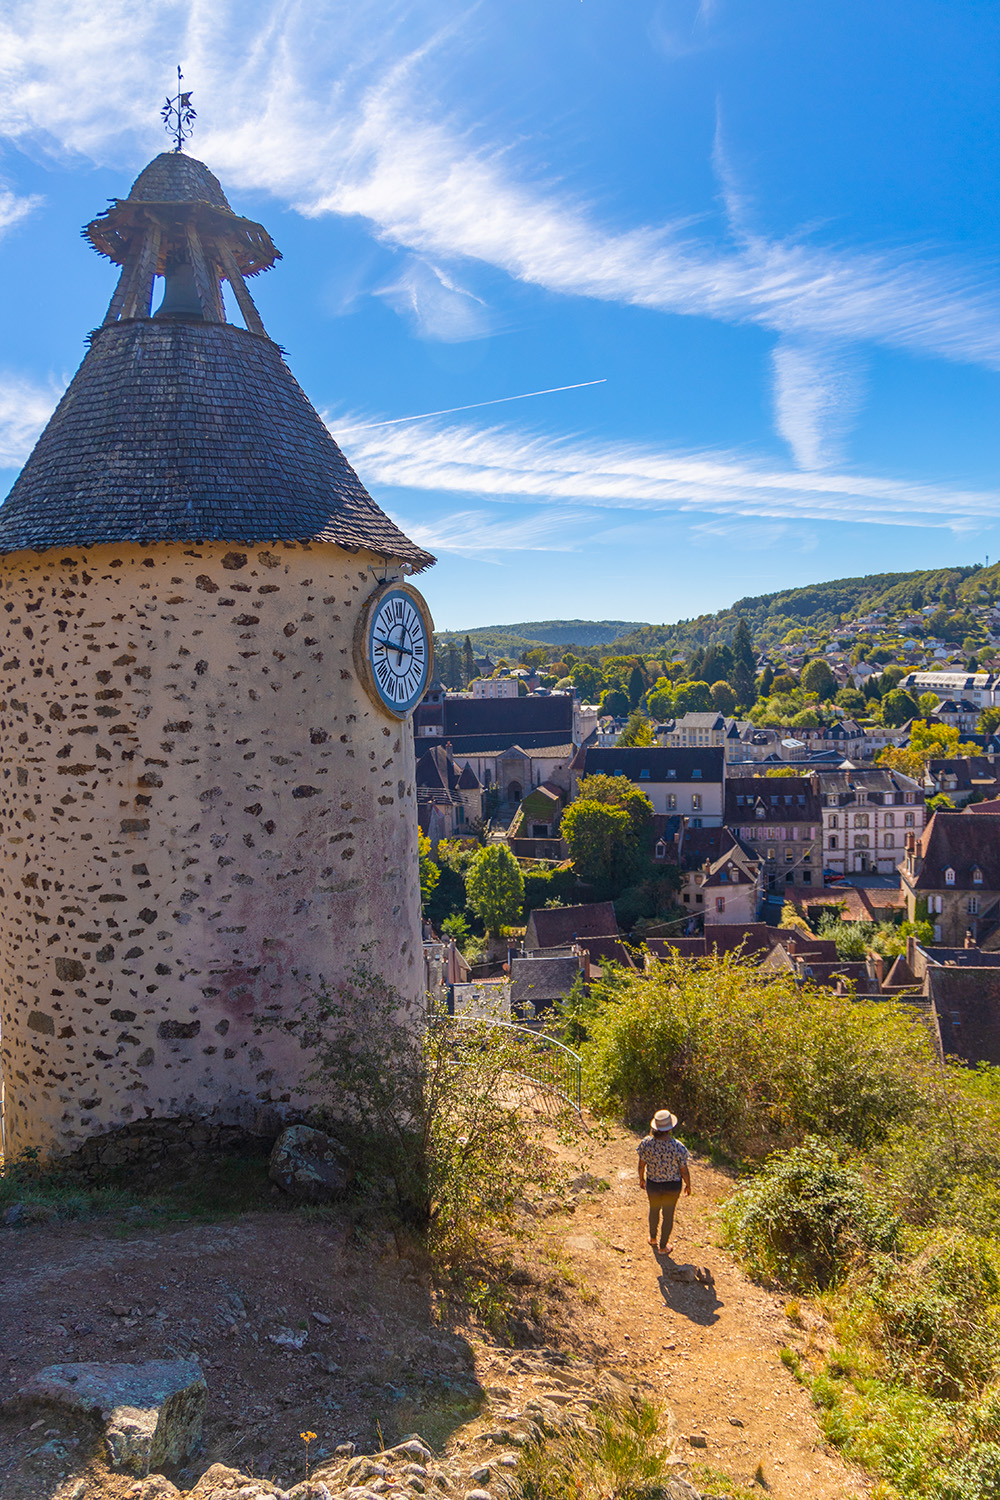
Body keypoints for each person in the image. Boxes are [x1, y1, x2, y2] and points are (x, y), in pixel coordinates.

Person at [637, 1108, 691, 1255]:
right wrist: (688, 1184)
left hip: (653, 1183)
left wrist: (641, 1178)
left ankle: (653, 1238)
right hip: (672, 1186)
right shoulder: (678, 1146)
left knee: (654, 1210)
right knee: (668, 1214)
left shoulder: (646, 1143)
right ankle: (663, 1247)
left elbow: (642, 1164)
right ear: (670, 1128)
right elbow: (683, 1169)